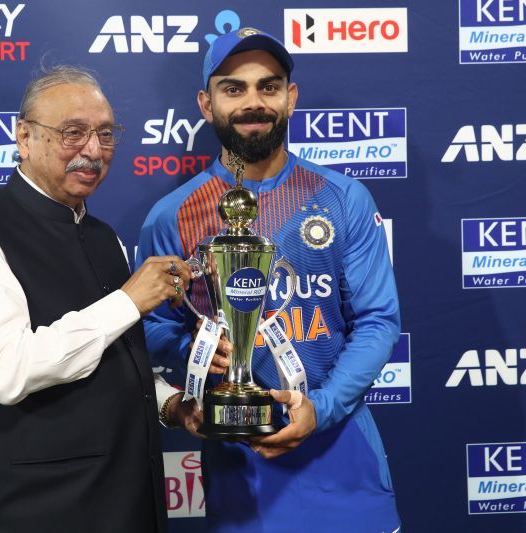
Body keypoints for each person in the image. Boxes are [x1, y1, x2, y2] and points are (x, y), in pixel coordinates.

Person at [137, 28, 401, 532]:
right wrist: (194, 348)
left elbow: (378, 321)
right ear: (205, 103)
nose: (253, 102)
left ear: (290, 97)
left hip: (346, 467)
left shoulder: (343, 198)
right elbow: (146, 328)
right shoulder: (170, 217)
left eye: (269, 86)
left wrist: (318, 410)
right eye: (233, 88)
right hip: (241, 479)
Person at [0, 65, 191, 533]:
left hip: (127, 506)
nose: (93, 151)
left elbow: (116, 361)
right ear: (25, 138)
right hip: (29, 512)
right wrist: (128, 302)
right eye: (73, 133)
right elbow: (7, 371)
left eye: (106, 134)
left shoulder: (104, 237)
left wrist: (170, 406)